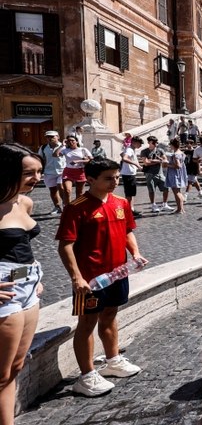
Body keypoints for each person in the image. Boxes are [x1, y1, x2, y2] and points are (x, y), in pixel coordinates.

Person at [56, 158, 147, 397]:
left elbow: (127, 230)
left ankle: (113, 360)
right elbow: (66, 245)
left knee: (110, 314)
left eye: (117, 177)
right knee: (87, 323)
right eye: (108, 178)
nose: (114, 182)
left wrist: (135, 253)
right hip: (90, 279)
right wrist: (76, 278)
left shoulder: (121, 202)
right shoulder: (77, 207)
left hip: (117, 273)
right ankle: (86, 376)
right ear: (91, 179)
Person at [0, 144, 60, 425]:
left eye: (39, 171)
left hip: (26, 286)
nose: (37, 178)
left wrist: (33, 274)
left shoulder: (24, 201)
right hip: (3, 291)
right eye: (29, 173)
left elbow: (19, 247)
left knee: (14, 368)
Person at [57, 135, 92, 207]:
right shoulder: (65, 150)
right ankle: (67, 208)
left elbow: (91, 159)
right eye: (69, 141)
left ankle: (77, 208)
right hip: (68, 171)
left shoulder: (83, 149)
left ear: (76, 141)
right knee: (67, 191)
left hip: (80, 171)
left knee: (79, 193)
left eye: (72, 140)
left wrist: (78, 161)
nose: (71, 142)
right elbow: (55, 154)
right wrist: (61, 145)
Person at [139, 137, 171, 214]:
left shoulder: (160, 150)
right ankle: (153, 205)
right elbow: (146, 163)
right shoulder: (144, 151)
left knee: (166, 188)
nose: (156, 144)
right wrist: (159, 161)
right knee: (151, 190)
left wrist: (153, 160)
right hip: (150, 174)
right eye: (154, 142)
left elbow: (165, 160)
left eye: (156, 142)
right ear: (149, 142)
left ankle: (164, 204)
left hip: (160, 173)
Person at [39, 131, 65, 215]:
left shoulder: (64, 146)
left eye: (52, 137)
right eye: (48, 137)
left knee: (60, 186)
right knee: (53, 190)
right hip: (49, 171)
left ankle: (65, 205)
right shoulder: (43, 148)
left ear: (58, 137)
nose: (50, 138)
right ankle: (57, 207)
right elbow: (40, 158)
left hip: (62, 170)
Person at [164, 138, 188, 214]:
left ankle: (180, 209)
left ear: (172, 145)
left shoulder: (175, 154)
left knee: (176, 192)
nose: (170, 146)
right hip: (179, 174)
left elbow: (178, 166)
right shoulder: (181, 153)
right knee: (178, 191)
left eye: (170, 145)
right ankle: (181, 208)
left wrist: (167, 164)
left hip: (175, 174)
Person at [119, 136, 142, 214]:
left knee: (131, 193)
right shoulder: (129, 150)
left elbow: (121, 154)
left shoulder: (130, 149)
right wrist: (136, 164)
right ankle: (128, 211)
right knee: (129, 194)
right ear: (134, 142)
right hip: (128, 174)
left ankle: (131, 210)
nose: (140, 146)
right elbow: (124, 158)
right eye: (139, 144)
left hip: (129, 173)